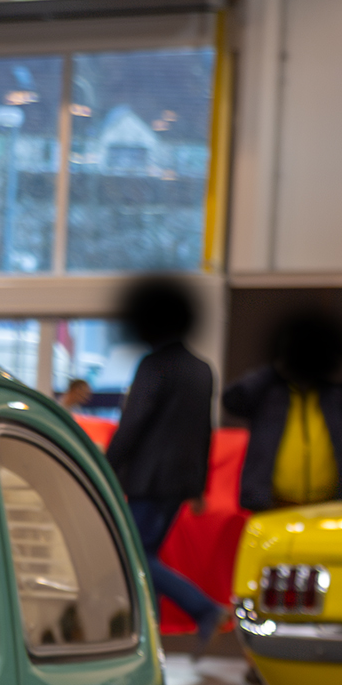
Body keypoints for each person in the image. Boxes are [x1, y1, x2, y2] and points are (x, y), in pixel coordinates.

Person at [104, 276, 224, 653]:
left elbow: (134, 421)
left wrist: (106, 465)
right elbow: (205, 431)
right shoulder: (202, 369)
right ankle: (149, 638)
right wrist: (199, 485)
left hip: (147, 478)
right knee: (145, 557)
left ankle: (203, 609)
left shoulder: (154, 365)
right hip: (179, 480)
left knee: (134, 556)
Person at [225, 308, 342, 512]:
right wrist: (274, 370)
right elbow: (232, 400)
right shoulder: (269, 392)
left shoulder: (336, 394)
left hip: (329, 504)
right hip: (273, 503)